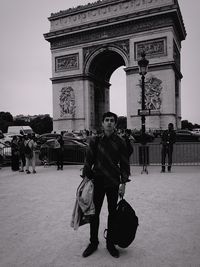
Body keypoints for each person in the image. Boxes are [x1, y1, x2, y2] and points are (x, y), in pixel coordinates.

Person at [81, 111, 130, 258]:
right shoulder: (94, 140)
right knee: (94, 214)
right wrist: (85, 179)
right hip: (98, 182)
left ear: (115, 124)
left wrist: (124, 184)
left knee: (112, 214)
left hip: (113, 182)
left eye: (112, 120)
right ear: (102, 123)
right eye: (106, 120)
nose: (109, 122)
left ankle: (110, 243)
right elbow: (88, 161)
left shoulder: (121, 142)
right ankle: (93, 242)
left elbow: (125, 164)